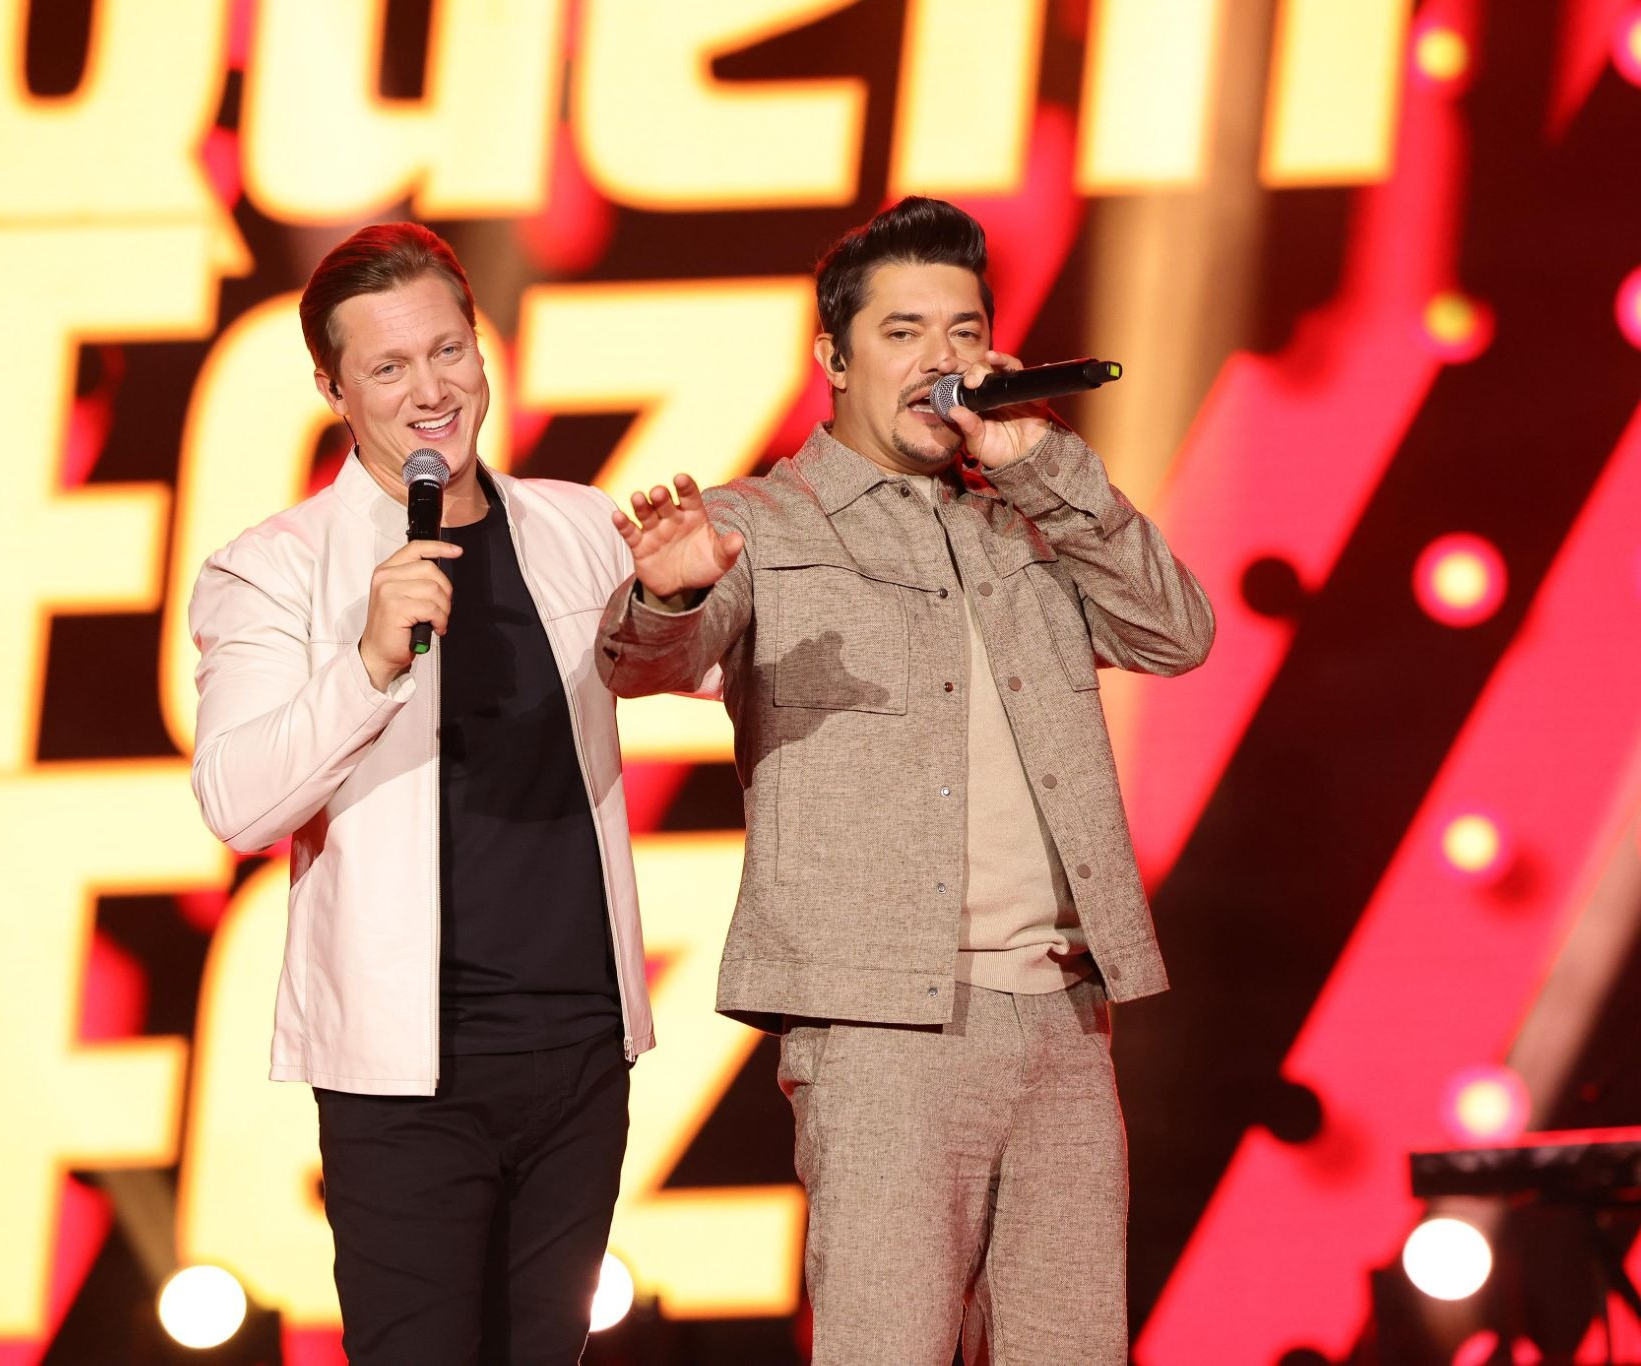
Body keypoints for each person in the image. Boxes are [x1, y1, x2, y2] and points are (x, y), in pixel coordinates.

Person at [595, 196, 1214, 1363]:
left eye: (964, 331)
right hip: (882, 1029)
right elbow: (643, 662)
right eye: (902, 331)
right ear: (831, 358)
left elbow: (1175, 633)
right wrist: (672, 592)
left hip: (1063, 1018)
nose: (941, 358)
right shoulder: (756, 524)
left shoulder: (1024, 522)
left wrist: (1043, 464)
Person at [186, 223, 652, 1365]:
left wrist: (680, 597)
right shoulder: (275, 567)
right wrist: (367, 663)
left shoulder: (580, 527)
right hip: (404, 1075)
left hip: (578, 1046)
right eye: (388, 366)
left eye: (448, 350)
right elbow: (237, 801)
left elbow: (687, 668)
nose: (430, 390)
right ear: (333, 389)